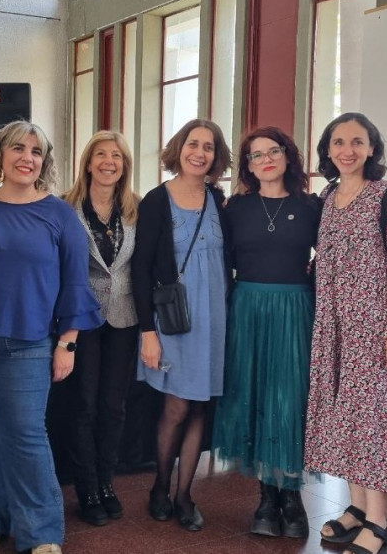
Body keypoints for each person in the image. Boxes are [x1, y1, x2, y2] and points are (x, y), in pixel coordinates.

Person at [0, 121, 102, 554]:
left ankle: (42, 532)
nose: (27, 158)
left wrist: (67, 342)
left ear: (44, 163)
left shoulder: (59, 214)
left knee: (24, 435)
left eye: (36, 152)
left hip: (29, 343)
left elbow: (76, 283)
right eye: (18, 148)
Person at [305, 113, 387, 554]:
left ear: (372, 148)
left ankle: (379, 522)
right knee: (345, 419)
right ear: (328, 150)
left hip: (374, 326)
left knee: (372, 422)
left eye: (357, 141)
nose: (346, 149)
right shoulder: (329, 196)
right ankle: (354, 509)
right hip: (332, 326)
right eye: (338, 142)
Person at [211, 126, 320, 538]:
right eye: (256, 155)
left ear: (288, 157)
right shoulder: (233, 209)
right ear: (248, 166)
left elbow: (332, 261)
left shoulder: (312, 207)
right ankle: (265, 498)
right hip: (248, 309)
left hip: (295, 309)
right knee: (253, 394)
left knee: (288, 399)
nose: (266, 159)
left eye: (274, 151)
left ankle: (290, 496)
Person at [132, 119, 231, 532]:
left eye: (208, 147)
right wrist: (147, 333)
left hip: (214, 319)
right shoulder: (158, 199)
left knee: (200, 407)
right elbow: (140, 270)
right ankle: (160, 486)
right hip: (174, 323)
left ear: (215, 156)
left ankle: (185, 494)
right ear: (180, 148)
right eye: (193, 144)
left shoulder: (218, 200)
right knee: (176, 406)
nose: (200, 153)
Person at [60, 131, 142, 526]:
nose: (109, 162)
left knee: (114, 406)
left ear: (125, 165)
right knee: (84, 408)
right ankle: (87, 487)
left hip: (124, 319)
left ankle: (107, 482)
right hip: (82, 319)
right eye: (101, 155)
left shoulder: (136, 209)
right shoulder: (65, 207)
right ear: (88, 163)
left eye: (117, 156)